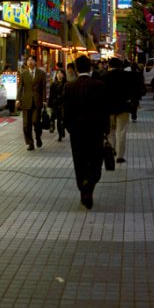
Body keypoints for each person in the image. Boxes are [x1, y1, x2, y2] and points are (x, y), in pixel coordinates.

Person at [63, 55, 109, 209]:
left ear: (76, 69)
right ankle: (89, 185)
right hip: (95, 131)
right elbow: (104, 110)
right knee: (95, 161)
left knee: (79, 161)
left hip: (76, 132)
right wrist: (106, 129)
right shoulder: (100, 85)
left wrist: (69, 128)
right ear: (90, 68)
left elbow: (66, 112)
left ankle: (84, 188)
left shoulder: (69, 87)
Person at [103, 57, 137, 164]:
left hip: (108, 109)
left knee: (110, 131)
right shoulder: (127, 76)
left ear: (109, 66)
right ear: (120, 66)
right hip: (123, 107)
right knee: (121, 131)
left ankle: (112, 149)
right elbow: (133, 91)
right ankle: (120, 156)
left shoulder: (104, 77)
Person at [15, 55, 47, 151]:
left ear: (35, 62)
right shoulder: (23, 74)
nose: (30, 62)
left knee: (36, 122)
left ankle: (38, 137)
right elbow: (20, 87)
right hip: (26, 101)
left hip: (37, 102)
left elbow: (44, 88)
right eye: (28, 60)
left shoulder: (41, 73)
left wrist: (44, 100)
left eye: (32, 60)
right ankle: (30, 143)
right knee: (26, 125)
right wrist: (18, 99)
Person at [47, 68, 67, 140]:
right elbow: (51, 95)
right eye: (58, 73)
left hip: (64, 105)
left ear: (64, 75)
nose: (59, 75)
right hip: (55, 104)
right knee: (58, 120)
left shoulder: (66, 84)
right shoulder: (54, 84)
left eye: (61, 73)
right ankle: (60, 134)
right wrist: (49, 105)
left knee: (63, 120)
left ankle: (63, 129)